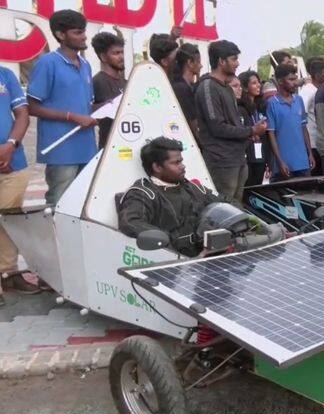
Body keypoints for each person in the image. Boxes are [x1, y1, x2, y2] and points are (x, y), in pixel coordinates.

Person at [117, 137, 282, 257]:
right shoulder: (143, 193)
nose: (183, 166)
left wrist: (244, 220)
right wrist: (169, 241)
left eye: (181, 161)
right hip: (177, 265)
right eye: (176, 163)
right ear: (157, 167)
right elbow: (130, 222)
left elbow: (226, 201)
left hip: (214, 257)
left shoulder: (192, 187)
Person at [27, 9, 98, 205]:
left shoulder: (85, 65)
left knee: (84, 203)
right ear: (60, 35)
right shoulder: (47, 63)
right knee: (60, 203)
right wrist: (71, 117)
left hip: (87, 147)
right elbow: (32, 107)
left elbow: (85, 105)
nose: (84, 36)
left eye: (83, 31)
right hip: (61, 149)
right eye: (77, 32)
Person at [195, 40, 266, 201]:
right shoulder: (208, 87)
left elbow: (233, 124)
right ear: (221, 61)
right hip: (221, 161)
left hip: (238, 158)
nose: (237, 63)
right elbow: (217, 127)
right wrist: (251, 131)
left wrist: (249, 133)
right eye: (233, 59)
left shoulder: (227, 88)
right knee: (225, 209)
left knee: (237, 209)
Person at [0, 67, 40, 302]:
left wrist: (10, 145)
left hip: (13, 161)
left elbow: (22, 113)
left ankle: (8, 273)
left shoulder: (5, 74)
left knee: (9, 221)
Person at [266, 64, 313, 181]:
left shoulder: (299, 100)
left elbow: (303, 128)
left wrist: (310, 154)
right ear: (281, 82)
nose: (295, 83)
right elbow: (271, 135)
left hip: (302, 162)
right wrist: (280, 162)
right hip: (284, 165)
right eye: (291, 80)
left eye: (295, 79)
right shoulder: (272, 103)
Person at [90, 31, 126, 150]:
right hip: (108, 148)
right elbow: (86, 110)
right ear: (103, 57)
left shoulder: (126, 82)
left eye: (122, 52)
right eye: (116, 53)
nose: (121, 57)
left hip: (128, 143)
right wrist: (102, 107)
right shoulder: (96, 81)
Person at [236, 71, 269, 188]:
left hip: (260, 156)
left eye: (258, 82)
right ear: (245, 87)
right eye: (254, 83)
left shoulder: (260, 106)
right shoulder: (240, 108)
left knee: (258, 188)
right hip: (248, 156)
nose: (259, 85)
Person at [171, 43, 203, 143]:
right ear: (190, 62)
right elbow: (192, 121)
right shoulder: (181, 88)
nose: (201, 65)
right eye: (198, 62)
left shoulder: (187, 86)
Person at [299, 57, 324, 175]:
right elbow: (300, 113)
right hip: (312, 142)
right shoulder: (308, 90)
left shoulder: (322, 89)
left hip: (321, 142)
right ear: (316, 74)